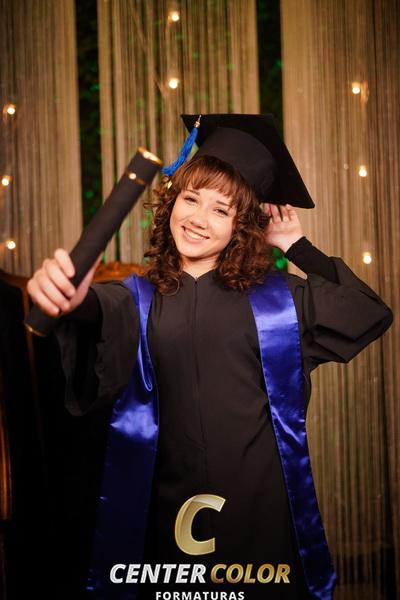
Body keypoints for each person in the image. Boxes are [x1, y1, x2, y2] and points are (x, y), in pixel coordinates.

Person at [27, 114, 393, 600]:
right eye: (190, 198)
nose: (198, 218)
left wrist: (295, 246)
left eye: (221, 209)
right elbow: (91, 308)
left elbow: (369, 312)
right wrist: (68, 298)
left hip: (260, 514)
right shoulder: (137, 298)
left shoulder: (281, 301)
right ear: (171, 202)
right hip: (165, 514)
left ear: (242, 226)